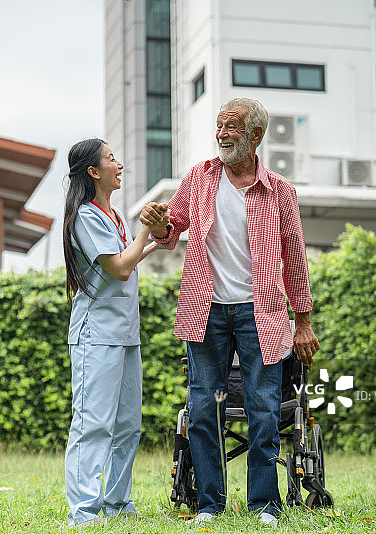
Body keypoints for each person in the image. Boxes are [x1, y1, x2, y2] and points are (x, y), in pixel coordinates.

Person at [140, 98, 320, 526]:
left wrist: (304, 321)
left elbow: (295, 257)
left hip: (263, 312)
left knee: (263, 408)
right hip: (207, 308)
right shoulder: (200, 178)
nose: (222, 133)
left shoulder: (280, 191)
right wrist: (157, 221)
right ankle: (209, 503)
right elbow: (171, 229)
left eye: (233, 127)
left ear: (256, 136)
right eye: (220, 126)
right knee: (203, 407)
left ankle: (264, 504)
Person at [63, 138, 168, 527]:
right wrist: (146, 231)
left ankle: (117, 504)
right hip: (97, 336)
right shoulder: (86, 217)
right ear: (93, 171)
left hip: (126, 335)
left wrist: (155, 238)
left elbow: (129, 257)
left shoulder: (115, 217)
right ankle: (85, 512)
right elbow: (121, 268)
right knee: (93, 424)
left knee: (127, 426)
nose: (118, 164)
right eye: (111, 160)